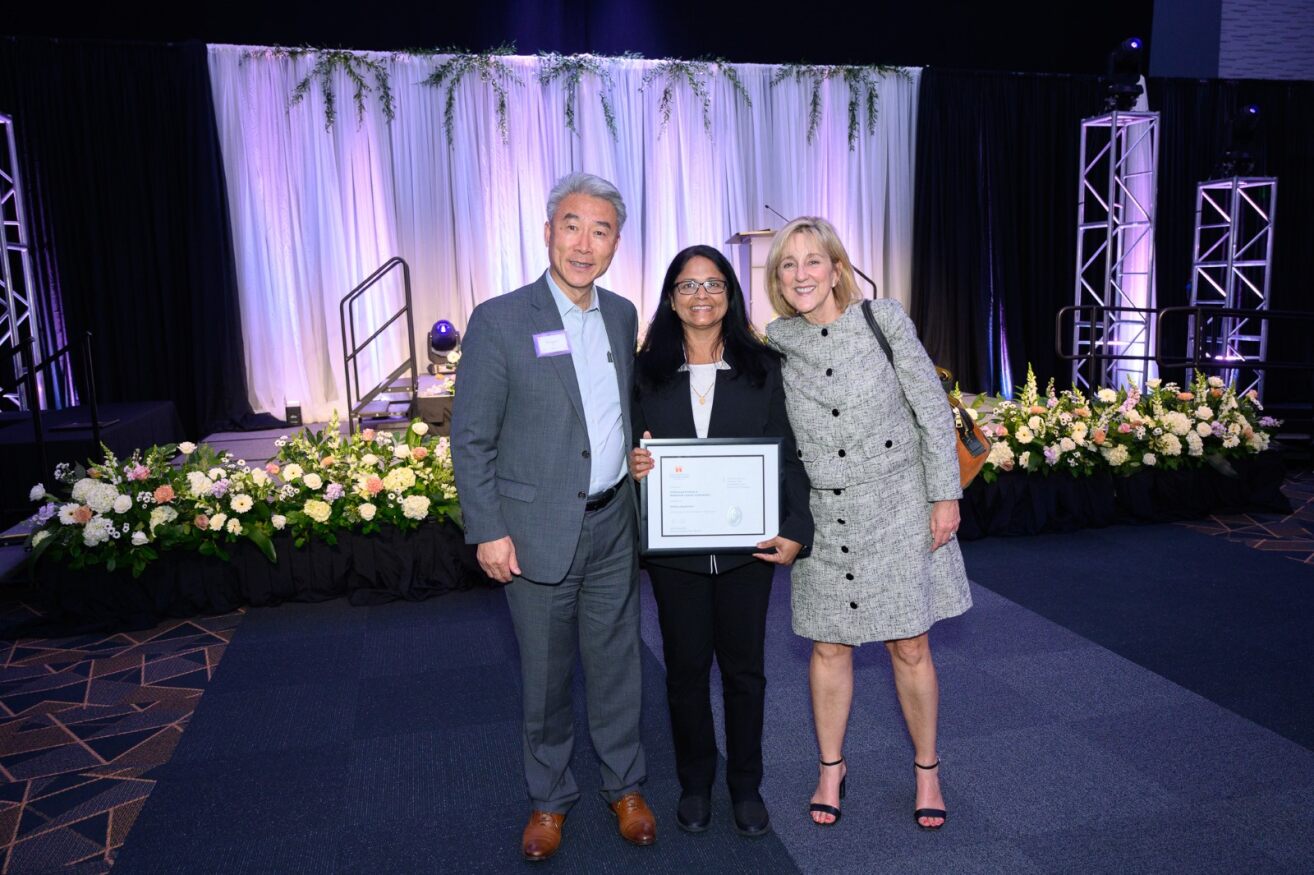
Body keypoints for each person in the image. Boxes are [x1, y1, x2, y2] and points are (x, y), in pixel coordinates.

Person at [451, 172, 655, 862]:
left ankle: (625, 785)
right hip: (532, 533)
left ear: (615, 243)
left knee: (619, 666)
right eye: (572, 225)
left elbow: (611, 413)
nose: (584, 242)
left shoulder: (623, 314)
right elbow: (471, 436)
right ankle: (549, 797)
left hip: (612, 526)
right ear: (547, 231)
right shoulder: (501, 319)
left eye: (601, 230)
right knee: (543, 677)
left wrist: (630, 459)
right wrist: (486, 527)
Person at [762, 216, 972, 831]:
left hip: (899, 507)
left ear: (836, 268)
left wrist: (945, 496)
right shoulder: (777, 343)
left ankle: (927, 769)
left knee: (909, 645)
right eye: (787, 265)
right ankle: (832, 767)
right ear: (778, 279)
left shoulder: (884, 321)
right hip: (825, 520)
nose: (801, 274)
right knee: (828, 646)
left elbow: (931, 409)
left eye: (812, 261)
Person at [627, 245, 813, 838]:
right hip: (675, 553)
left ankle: (745, 787)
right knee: (684, 670)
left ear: (730, 294)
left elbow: (790, 455)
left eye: (713, 284)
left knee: (745, 671)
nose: (700, 295)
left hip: (747, 551)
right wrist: (633, 462)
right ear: (670, 297)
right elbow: (624, 444)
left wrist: (795, 531)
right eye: (687, 285)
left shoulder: (765, 367)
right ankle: (696, 783)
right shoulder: (644, 371)